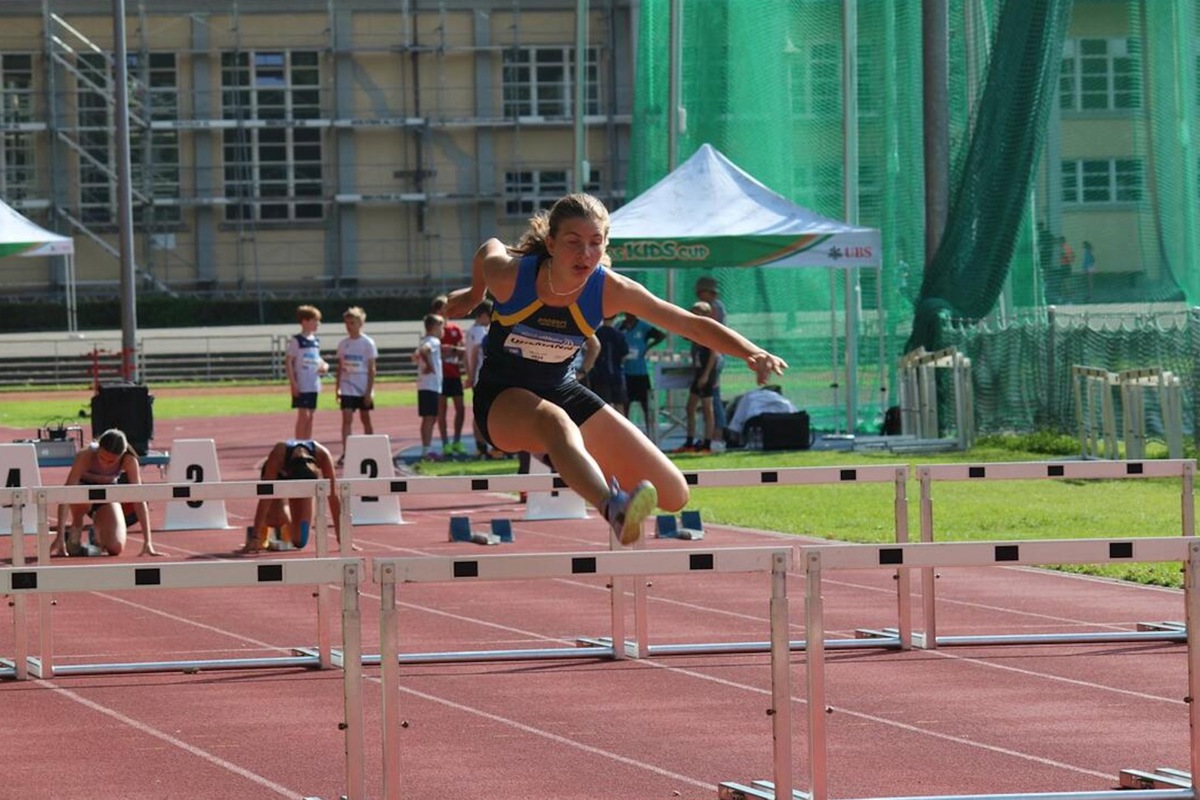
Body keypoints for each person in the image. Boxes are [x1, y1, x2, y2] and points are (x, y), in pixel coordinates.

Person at [442, 192, 787, 545]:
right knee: (555, 423)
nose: (585, 254)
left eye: (595, 243)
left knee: (672, 493)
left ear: (606, 244)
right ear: (551, 242)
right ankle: (613, 508)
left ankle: (579, 464)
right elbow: (491, 247)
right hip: (502, 398)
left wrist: (752, 352)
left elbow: (691, 324)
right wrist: (474, 294)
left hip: (560, 390)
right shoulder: (512, 278)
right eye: (573, 243)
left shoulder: (609, 289)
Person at [50, 428, 159, 557]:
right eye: (102, 458)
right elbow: (66, 494)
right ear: (98, 449)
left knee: (115, 547)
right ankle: (75, 528)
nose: (106, 464)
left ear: (122, 454)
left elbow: (139, 499)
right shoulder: (85, 456)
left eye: (112, 461)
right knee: (81, 497)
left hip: (107, 494)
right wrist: (59, 536)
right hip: (82, 494)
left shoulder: (129, 461)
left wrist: (148, 542)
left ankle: (97, 534)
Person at [240, 439, 345, 553]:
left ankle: (284, 525)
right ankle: (274, 517)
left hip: (304, 480)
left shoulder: (323, 455)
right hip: (278, 477)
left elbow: (333, 498)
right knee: (275, 520)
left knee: (299, 541)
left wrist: (343, 539)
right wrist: (256, 536)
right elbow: (266, 497)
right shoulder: (278, 454)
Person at [674, 301, 719, 453]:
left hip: (707, 374)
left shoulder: (710, 331)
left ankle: (707, 444)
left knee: (707, 408)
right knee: (690, 407)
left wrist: (705, 375)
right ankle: (690, 442)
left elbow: (714, 354)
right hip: (699, 373)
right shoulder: (696, 332)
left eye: (697, 312)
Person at [335, 306, 378, 466]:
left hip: (362, 386)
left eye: (352, 323)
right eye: (346, 323)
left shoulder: (367, 343)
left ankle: (371, 450)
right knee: (346, 419)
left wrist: (368, 391)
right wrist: (337, 388)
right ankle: (347, 452)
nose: (349, 326)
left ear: (360, 323)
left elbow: (372, 368)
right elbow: (339, 367)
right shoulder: (343, 344)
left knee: (365, 418)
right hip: (347, 387)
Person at [693, 276, 727, 451]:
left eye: (702, 292)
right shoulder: (710, 306)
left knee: (712, 399)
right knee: (706, 401)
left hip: (714, 359)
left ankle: (717, 436)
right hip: (709, 357)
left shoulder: (715, 308)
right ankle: (710, 436)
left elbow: (714, 338)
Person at [285, 304, 329, 439]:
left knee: (311, 416)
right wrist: (293, 383)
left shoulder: (315, 341)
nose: (318, 324)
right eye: (315, 320)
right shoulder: (297, 341)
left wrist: (325, 366)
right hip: (302, 384)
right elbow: (289, 361)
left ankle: (308, 443)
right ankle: (299, 443)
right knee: (304, 415)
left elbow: (317, 359)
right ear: (305, 321)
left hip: (313, 384)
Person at [430, 295, 466, 457]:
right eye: (445, 307)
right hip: (440, 377)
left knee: (460, 409)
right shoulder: (434, 331)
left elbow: (463, 350)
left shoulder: (455, 330)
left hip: (455, 375)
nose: (448, 311)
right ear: (437, 310)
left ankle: (457, 441)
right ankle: (445, 444)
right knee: (441, 410)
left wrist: (452, 350)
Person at [619, 312, 666, 432]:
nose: (630, 315)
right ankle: (627, 432)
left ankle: (650, 432)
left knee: (646, 405)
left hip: (640, 373)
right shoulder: (619, 326)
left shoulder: (643, 326)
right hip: (625, 373)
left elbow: (661, 335)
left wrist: (648, 346)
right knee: (625, 404)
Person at [463, 300, 495, 459]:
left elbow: (465, 354)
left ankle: (481, 447)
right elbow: (475, 354)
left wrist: (469, 374)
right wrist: (472, 374)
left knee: (479, 413)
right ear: (483, 315)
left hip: (476, 377)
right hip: (482, 377)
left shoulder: (470, 331)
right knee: (489, 413)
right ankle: (490, 447)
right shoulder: (481, 331)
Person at [414, 313, 445, 461]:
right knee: (429, 418)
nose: (442, 330)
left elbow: (415, 355)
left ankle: (426, 448)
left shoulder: (425, 340)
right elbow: (423, 351)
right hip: (430, 385)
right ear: (433, 327)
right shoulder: (433, 341)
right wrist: (429, 365)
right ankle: (426, 450)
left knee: (429, 418)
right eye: (441, 327)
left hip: (425, 384)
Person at [587, 315, 629, 414]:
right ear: (614, 318)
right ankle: (621, 427)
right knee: (619, 403)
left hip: (600, 374)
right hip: (617, 374)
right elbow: (624, 355)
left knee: (603, 405)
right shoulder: (619, 334)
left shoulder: (597, 334)